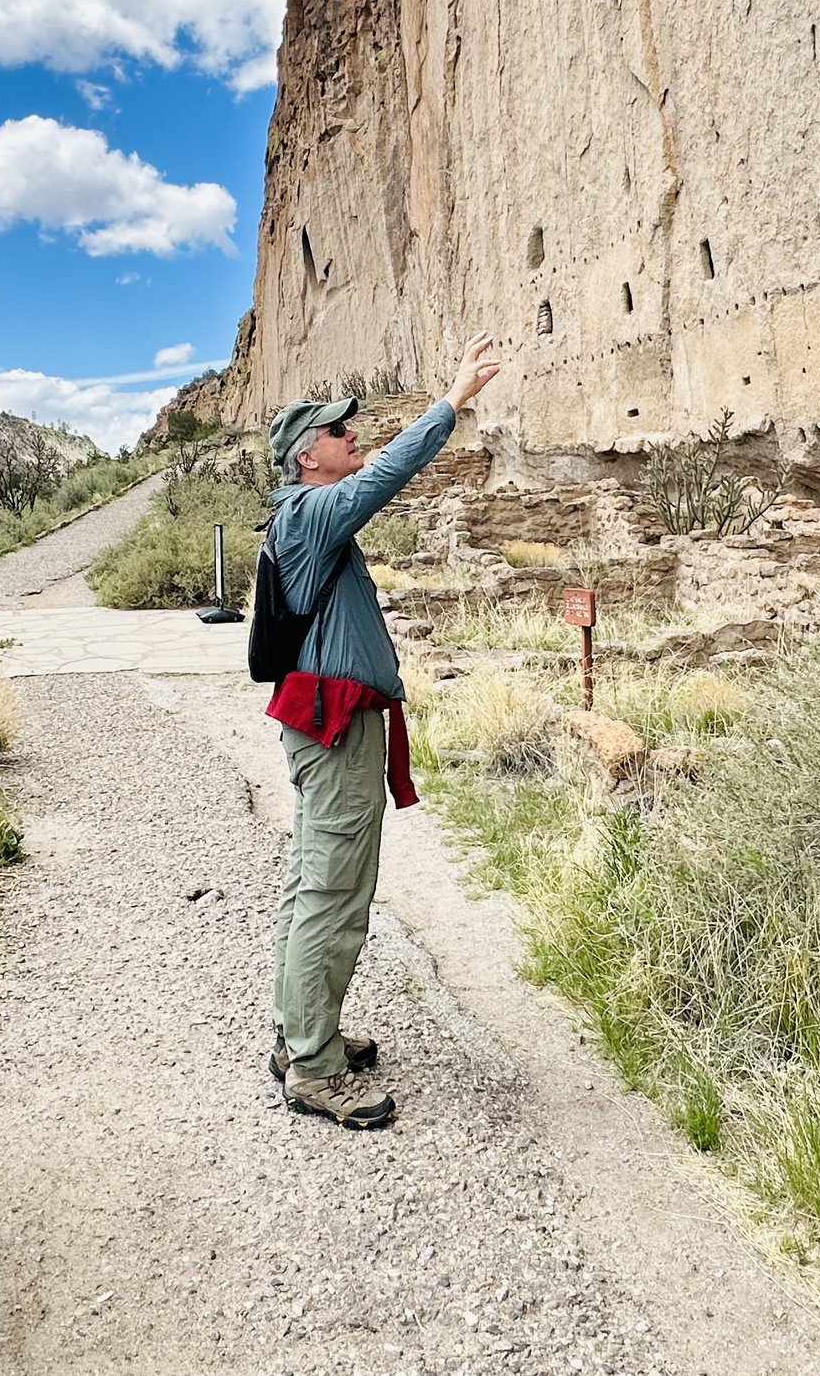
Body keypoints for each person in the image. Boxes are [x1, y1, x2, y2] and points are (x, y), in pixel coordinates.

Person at [261, 333, 503, 1129]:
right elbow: (392, 472)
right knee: (333, 890)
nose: (350, 436)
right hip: (334, 731)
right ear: (307, 457)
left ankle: (299, 1034)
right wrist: (453, 400)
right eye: (336, 431)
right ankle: (317, 1070)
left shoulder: (305, 516)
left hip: (331, 724)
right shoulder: (309, 513)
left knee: (311, 882)